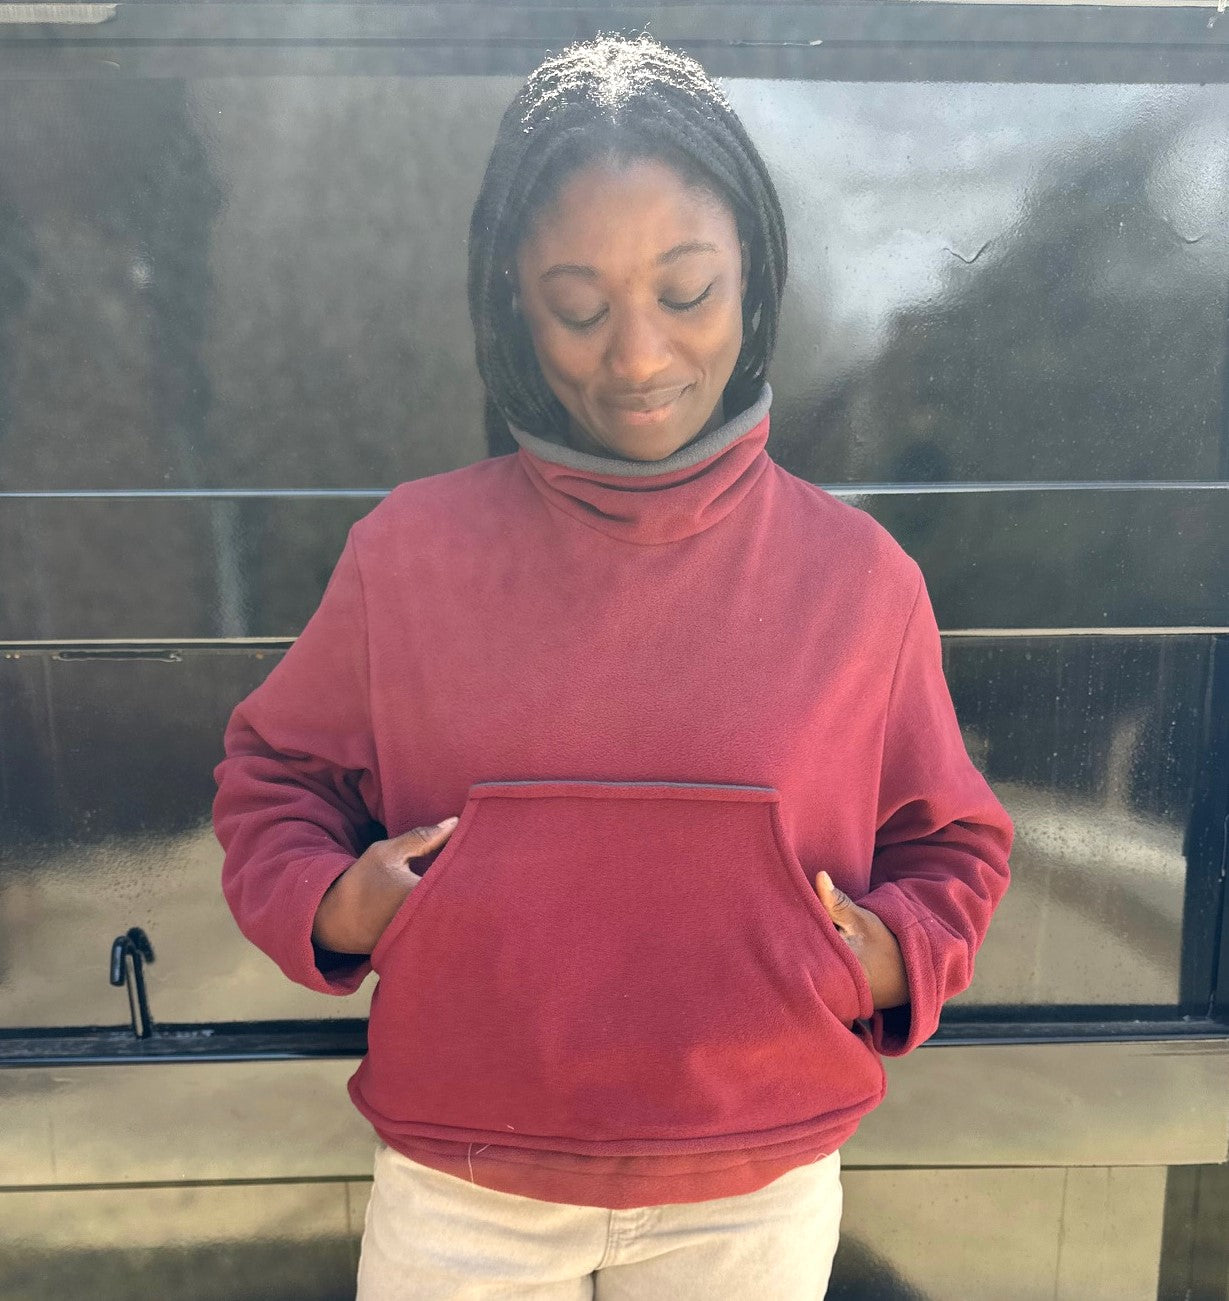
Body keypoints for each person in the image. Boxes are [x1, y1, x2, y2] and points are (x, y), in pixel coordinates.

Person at [213, 32, 1013, 1300]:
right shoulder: (406, 555)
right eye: (578, 307)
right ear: (512, 311)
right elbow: (273, 777)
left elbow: (953, 841)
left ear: (754, 277)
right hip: (464, 1195)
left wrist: (889, 954)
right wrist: (333, 902)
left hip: (751, 1196)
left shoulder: (860, 578)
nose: (636, 356)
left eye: (685, 292)